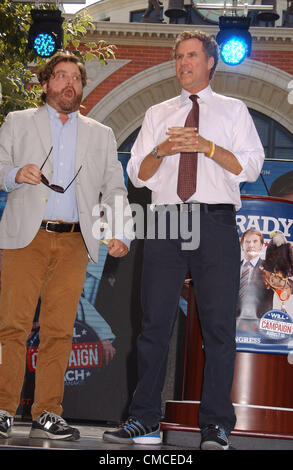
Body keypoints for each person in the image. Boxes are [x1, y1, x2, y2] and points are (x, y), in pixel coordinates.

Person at [103, 30, 264, 450]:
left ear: (210, 62)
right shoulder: (158, 112)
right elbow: (136, 172)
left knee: (217, 330)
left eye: (191, 56)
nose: (183, 63)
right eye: (178, 57)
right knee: (153, 324)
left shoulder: (234, 111)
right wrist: (161, 149)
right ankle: (145, 419)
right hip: (166, 223)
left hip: (214, 222)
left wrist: (207, 146)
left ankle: (215, 424)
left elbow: (250, 165)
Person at [0, 51, 132, 441]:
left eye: (75, 77)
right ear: (45, 84)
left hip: (76, 240)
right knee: (13, 326)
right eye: (60, 76)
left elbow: (116, 187)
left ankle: (47, 413)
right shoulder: (17, 121)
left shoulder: (100, 133)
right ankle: (3, 408)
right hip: (26, 235)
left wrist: (120, 231)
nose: (69, 83)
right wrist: (13, 173)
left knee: (60, 331)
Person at [237, 229, 273, 328]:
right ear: (242, 245)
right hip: (233, 324)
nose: (251, 245)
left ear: (261, 245)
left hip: (263, 325)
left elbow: (289, 286)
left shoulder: (270, 267)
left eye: (255, 241)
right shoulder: (232, 267)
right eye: (247, 242)